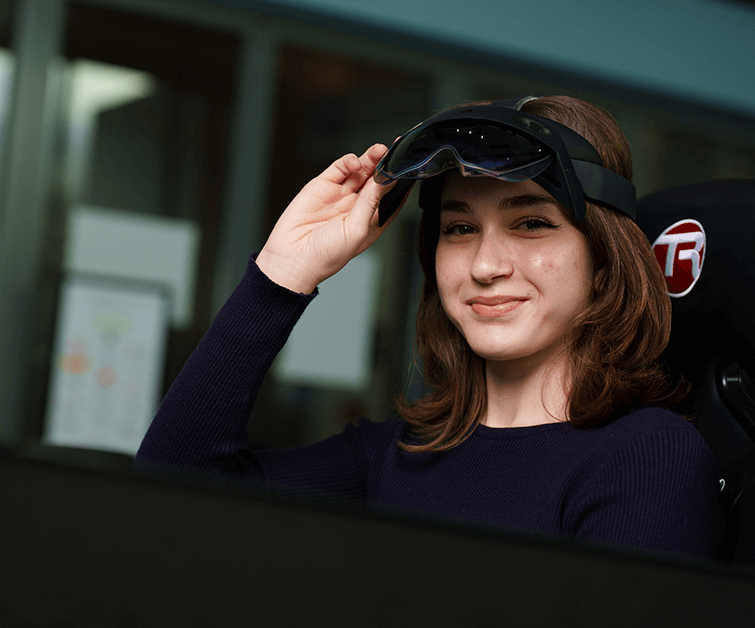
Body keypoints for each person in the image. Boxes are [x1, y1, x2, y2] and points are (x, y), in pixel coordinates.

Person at [135, 95, 725, 560]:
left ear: (603, 262)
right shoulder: (395, 454)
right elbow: (174, 491)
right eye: (459, 229)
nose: (486, 267)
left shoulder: (648, 457)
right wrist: (284, 272)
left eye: (531, 224)